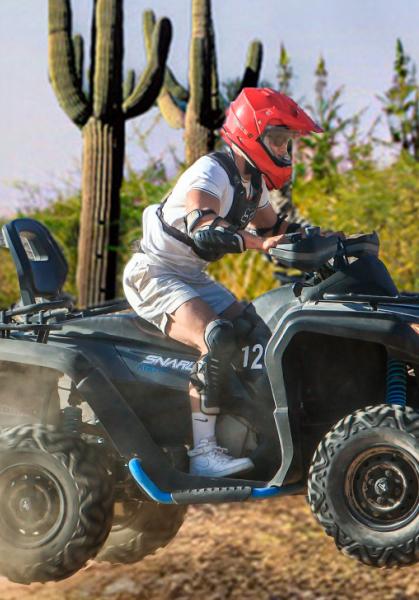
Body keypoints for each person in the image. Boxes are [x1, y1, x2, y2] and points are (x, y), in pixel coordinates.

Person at [122, 88, 320, 478]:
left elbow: (276, 227)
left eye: (287, 142)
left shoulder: (252, 183)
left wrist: (328, 243)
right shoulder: (210, 171)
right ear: (252, 134)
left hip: (190, 275)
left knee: (254, 327)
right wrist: (261, 244)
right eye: (278, 140)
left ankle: (246, 427)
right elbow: (203, 225)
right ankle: (204, 454)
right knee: (217, 338)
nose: (284, 149)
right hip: (155, 272)